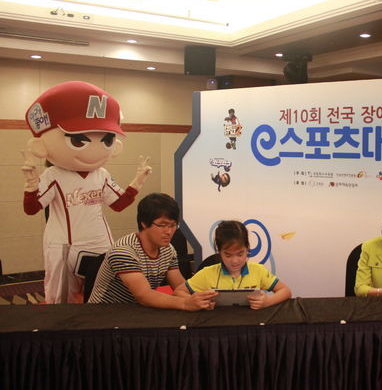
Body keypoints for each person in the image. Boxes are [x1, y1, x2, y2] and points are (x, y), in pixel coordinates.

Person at [21, 81, 151, 304]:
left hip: (100, 243)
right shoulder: (54, 175)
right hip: (65, 246)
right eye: (78, 140)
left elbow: (118, 204)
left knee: (103, 294)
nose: (95, 149)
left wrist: (137, 181)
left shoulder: (101, 174)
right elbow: (31, 209)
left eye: (107, 139)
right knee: (62, 299)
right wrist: (31, 185)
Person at [88, 193, 218, 310]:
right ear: (144, 223)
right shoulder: (124, 251)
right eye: (162, 225)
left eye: (173, 225)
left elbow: (179, 286)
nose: (169, 231)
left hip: (137, 313)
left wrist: (200, 299)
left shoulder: (168, 250)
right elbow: (144, 295)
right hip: (104, 315)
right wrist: (185, 303)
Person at [174, 220, 292, 310]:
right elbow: (178, 292)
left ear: (247, 249)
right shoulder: (207, 273)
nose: (235, 261)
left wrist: (268, 302)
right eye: (228, 255)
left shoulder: (258, 270)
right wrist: (195, 301)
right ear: (219, 252)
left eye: (240, 254)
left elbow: (285, 291)